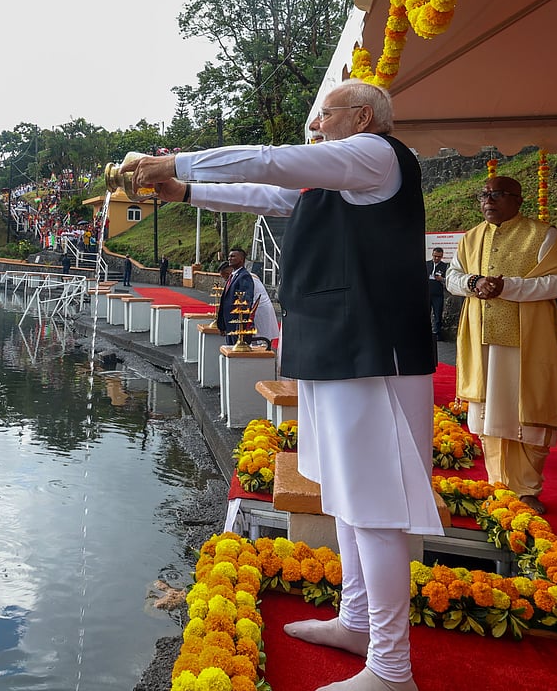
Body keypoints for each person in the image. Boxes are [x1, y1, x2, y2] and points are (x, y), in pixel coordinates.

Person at [121, 79, 438, 691]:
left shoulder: (375, 155)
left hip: (372, 353)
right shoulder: (334, 185)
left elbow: (272, 159)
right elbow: (265, 191)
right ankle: (356, 619)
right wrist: (186, 190)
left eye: (324, 116)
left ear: (363, 117)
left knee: (372, 507)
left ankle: (392, 668)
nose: (314, 127)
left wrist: (175, 160)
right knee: (347, 499)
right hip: (336, 348)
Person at [446, 176, 557, 515]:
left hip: (528, 343)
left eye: (497, 194)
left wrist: (510, 287)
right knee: (490, 416)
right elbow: (453, 278)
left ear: (518, 200)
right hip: (482, 338)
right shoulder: (471, 237)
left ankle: (528, 489)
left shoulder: (543, 235)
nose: (488, 200)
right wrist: (475, 283)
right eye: (483, 194)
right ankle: (497, 485)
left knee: (529, 414)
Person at [217, 247, 256, 345]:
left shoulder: (244, 276)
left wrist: (240, 324)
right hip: (229, 323)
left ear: (241, 259)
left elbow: (245, 301)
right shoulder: (233, 276)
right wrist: (222, 325)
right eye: (229, 256)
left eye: (233, 256)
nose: (230, 258)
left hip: (237, 324)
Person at [426, 247, 448, 340]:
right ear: (432, 255)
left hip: (438, 294)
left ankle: (437, 334)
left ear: (442, 256)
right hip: (427, 293)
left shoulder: (445, 266)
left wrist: (442, 279)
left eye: (439, 257)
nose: (436, 258)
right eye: (435, 256)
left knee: (437, 314)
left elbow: (449, 280)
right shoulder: (427, 264)